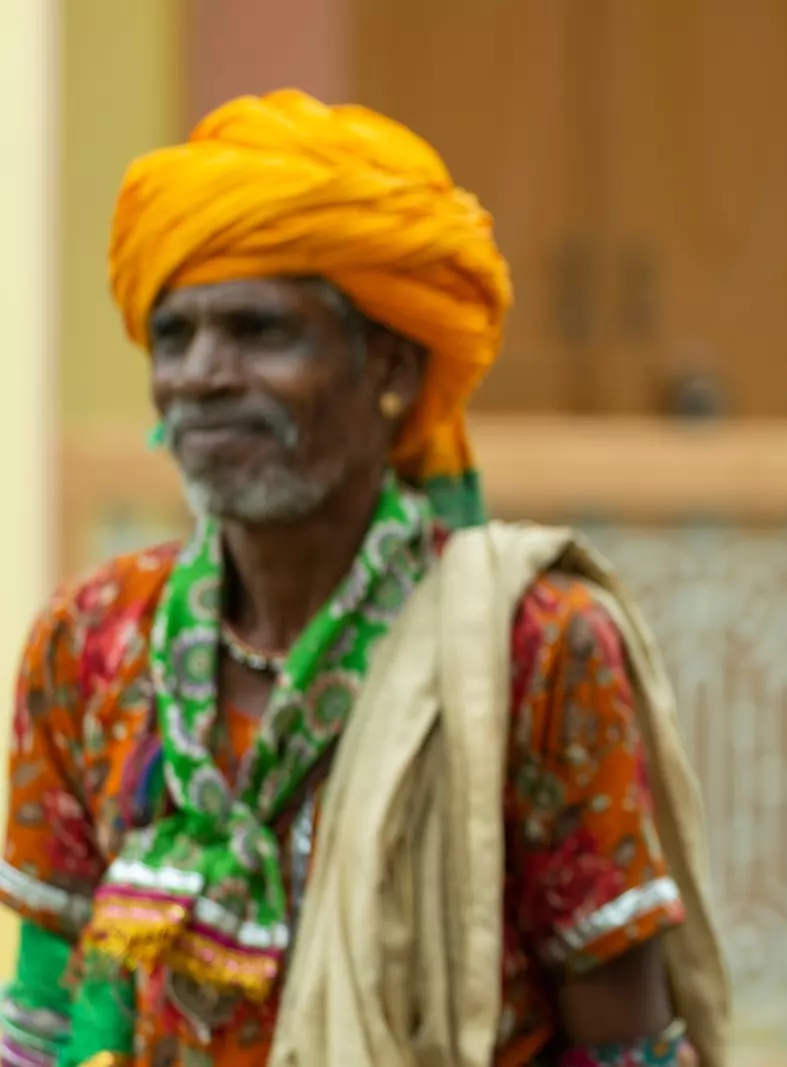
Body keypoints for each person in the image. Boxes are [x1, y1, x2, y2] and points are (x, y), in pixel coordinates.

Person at [0, 91, 726, 1067]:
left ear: (386, 361)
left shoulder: (529, 646)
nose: (203, 374)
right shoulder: (92, 636)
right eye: (175, 337)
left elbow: (623, 1042)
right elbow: (45, 1005)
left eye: (258, 331)